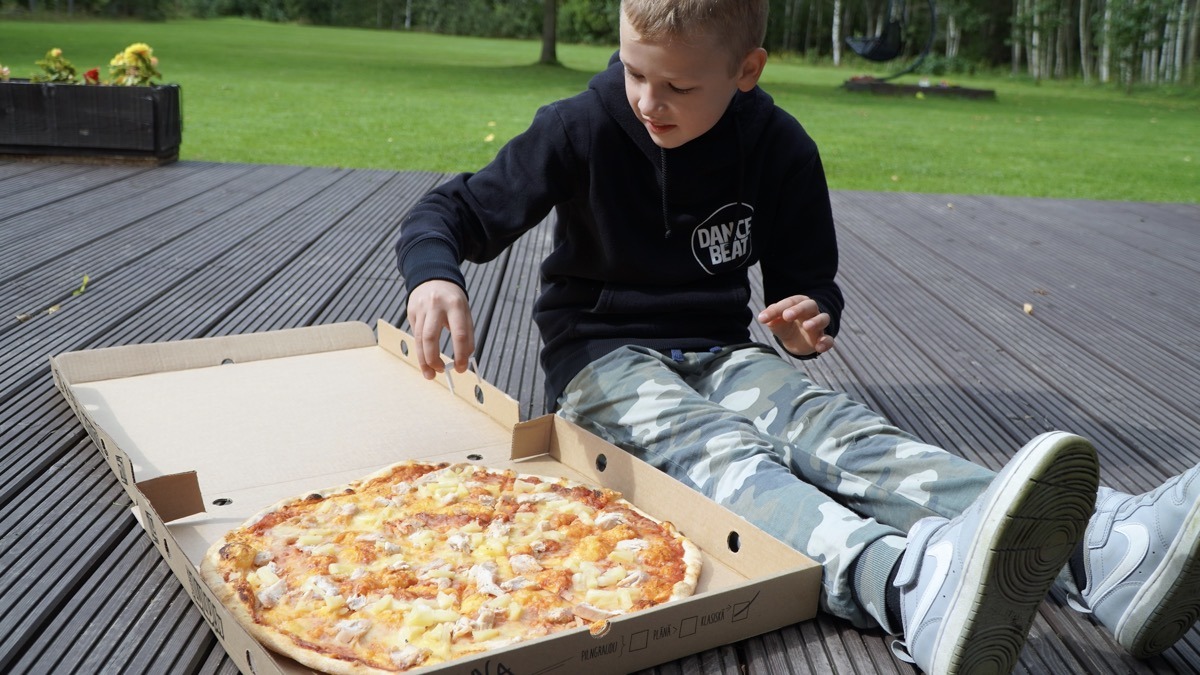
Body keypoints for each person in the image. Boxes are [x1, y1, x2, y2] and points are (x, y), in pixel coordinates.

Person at [395, 1, 1200, 671]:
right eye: (634, 71)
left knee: (839, 432)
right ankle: (905, 584)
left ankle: (1099, 550)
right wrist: (436, 275)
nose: (646, 100)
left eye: (678, 85)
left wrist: (809, 320)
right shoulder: (579, 127)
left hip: (722, 349)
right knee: (720, 454)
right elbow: (450, 211)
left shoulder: (779, 147)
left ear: (746, 71)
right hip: (602, 359)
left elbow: (809, 286)